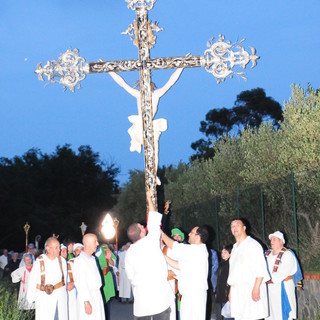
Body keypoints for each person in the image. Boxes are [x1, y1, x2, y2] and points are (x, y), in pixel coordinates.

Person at [109, 68, 184, 185]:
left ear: (152, 85)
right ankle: (151, 174)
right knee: (149, 151)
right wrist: (110, 71)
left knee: (155, 150)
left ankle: (153, 174)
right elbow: (122, 83)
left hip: (152, 126)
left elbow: (171, 81)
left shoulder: (157, 94)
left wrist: (181, 67)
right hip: (140, 125)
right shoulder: (139, 95)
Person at [125, 190, 173, 319]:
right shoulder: (151, 240)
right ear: (141, 233)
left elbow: (130, 275)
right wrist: (148, 197)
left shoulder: (129, 253)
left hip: (141, 300)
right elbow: (153, 216)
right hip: (159, 298)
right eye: (142, 226)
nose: (144, 226)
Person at [161, 225, 209, 320]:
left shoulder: (198, 250)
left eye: (191, 232)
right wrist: (162, 255)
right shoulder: (193, 252)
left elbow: (174, 246)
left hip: (195, 295)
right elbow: (178, 266)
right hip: (187, 295)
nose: (189, 234)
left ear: (198, 236)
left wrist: (161, 233)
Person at [227, 218, 270, 320]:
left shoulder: (252, 245)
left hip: (250, 288)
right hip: (237, 291)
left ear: (244, 228)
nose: (235, 228)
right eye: (232, 226)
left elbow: (260, 268)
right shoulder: (234, 249)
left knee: (252, 316)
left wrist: (256, 288)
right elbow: (233, 272)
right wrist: (231, 291)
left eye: (237, 225)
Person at [27, 237, 68, 320]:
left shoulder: (62, 261)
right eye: (56, 247)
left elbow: (65, 280)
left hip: (59, 298)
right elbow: (32, 280)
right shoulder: (39, 262)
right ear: (48, 248)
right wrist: (31, 298)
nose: (59, 250)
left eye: (59, 247)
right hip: (44, 299)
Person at [265, 231, 302, 320]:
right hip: (269, 289)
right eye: (271, 239)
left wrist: (267, 279)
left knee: (283, 314)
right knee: (271, 315)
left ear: (281, 241)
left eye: (274, 239)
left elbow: (283, 272)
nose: (271, 241)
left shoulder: (288, 254)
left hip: (283, 288)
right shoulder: (267, 254)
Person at [73, 233, 105, 320]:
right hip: (88, 298)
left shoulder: (92, 258)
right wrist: (86, 302)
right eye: (95, 241)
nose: (97, 244)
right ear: (87, 243)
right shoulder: (80, 261)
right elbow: (80, 283)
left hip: (96, 296)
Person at [96, 243, 116, 318]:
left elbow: (113, 263)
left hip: (105, 280)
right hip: (93, 281)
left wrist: (109, 258)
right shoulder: (86, 250)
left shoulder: (104, 248)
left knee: (105, 303)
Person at [215, 244, 233, 320]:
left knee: (229, 315)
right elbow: (219, 280)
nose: (223, 254)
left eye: (225, 252)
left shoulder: (231, 264)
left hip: (228, 293)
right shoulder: (222, 264)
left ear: (230, 253)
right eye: (222, 252)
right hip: (222, 293)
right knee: (226, 313)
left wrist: (229, 292)